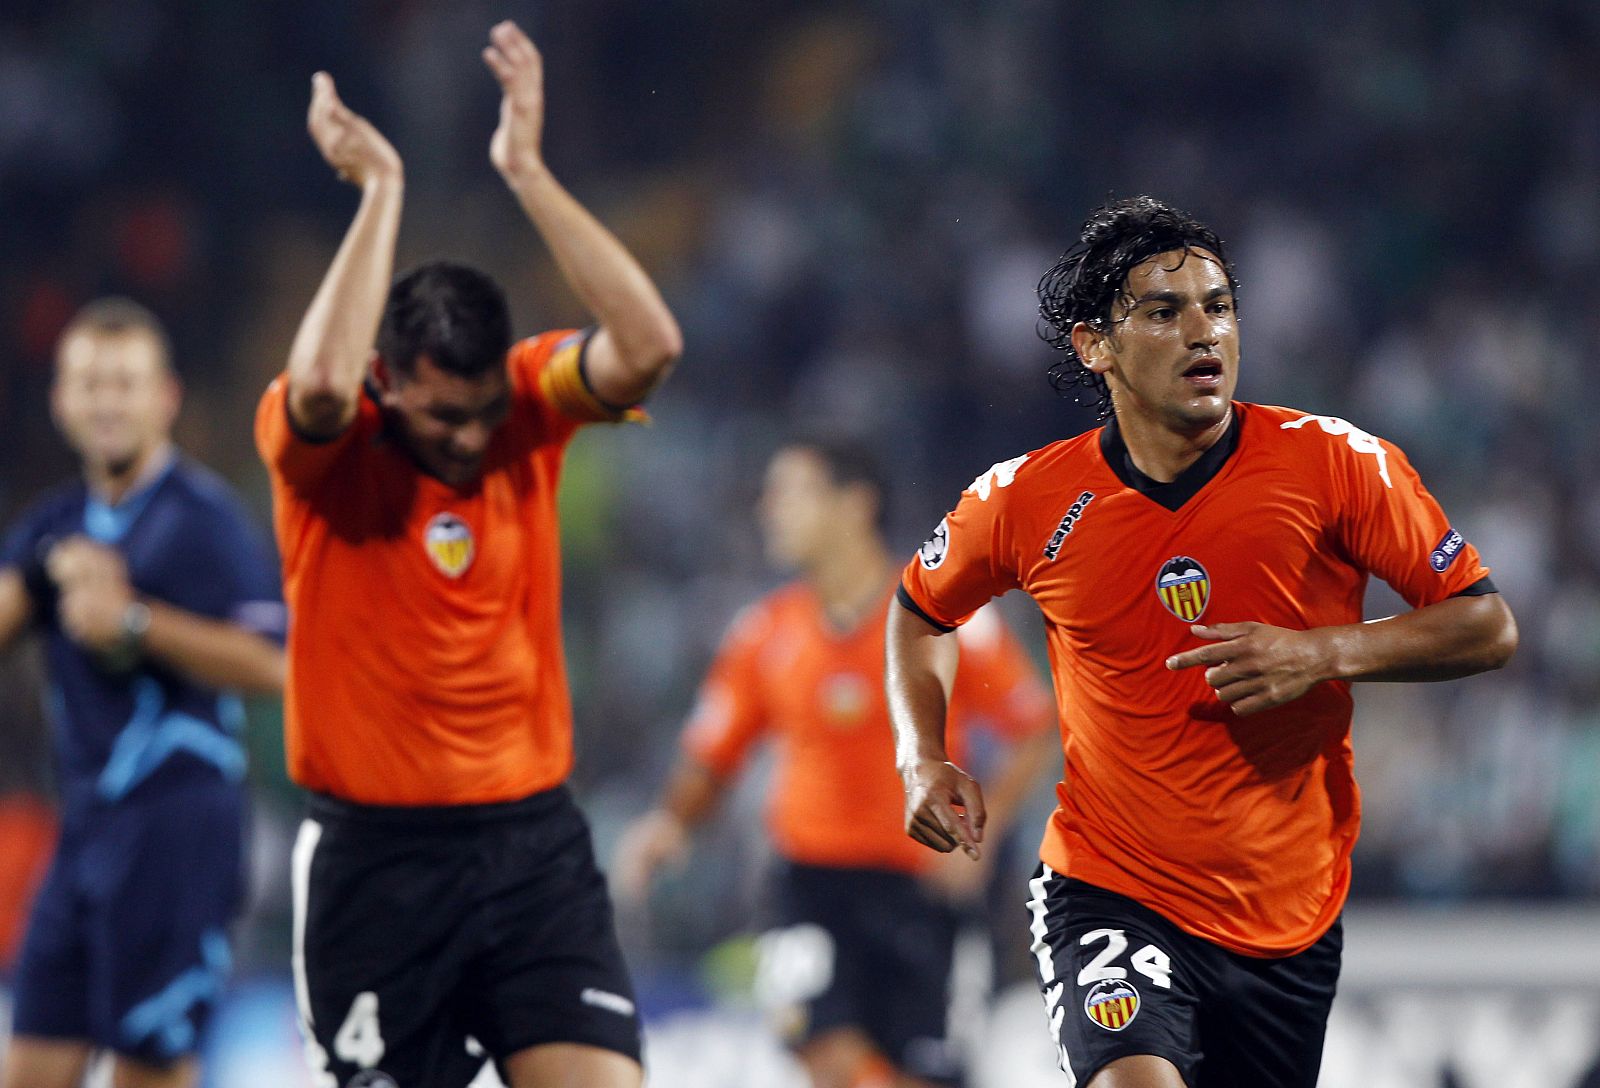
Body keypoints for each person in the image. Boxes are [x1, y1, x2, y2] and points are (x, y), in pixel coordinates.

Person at [884, 196, 1518, 1088]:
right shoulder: (1025, 502)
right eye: (1163, 310)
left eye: (1218, 306)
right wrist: (922, 754)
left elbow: (1486, 623)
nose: (1202, 331)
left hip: (1287, 909)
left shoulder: (1335, 463)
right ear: (1093, 346)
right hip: (1111, 886)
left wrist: (1323, 651)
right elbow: (919, 610)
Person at [255, 20, 682, 1088]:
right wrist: (379, 192)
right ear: (386, 381)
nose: (466, 434)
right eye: (443, 413)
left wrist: (527, 173)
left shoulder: (525, 404)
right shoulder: (324, 444)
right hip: (375, 865)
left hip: (532, 845)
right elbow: (312, 385)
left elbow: (649, 346)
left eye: (481, 407)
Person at [615, 436, 1055, 1088]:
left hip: (921, 891)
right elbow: (713, 756)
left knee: (928, 1071)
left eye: (791, 491)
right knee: (819, 1045)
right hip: (808, 883)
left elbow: (1032, 726)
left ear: (855, 505)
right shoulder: (764, 633)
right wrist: (671, 823)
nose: (770, 509)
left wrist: (981, 837)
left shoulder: (942, 618)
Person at [0, 298, 287, 1088]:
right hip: (84, 833)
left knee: (147, 1073)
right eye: (89, 383)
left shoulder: (204, 522)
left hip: (177, 834)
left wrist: (134, 622)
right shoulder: (56, 525)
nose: (105, 401)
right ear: (59, 399)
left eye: (124, 383)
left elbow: (275, 666)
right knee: (28, 1069)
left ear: (166, 397)